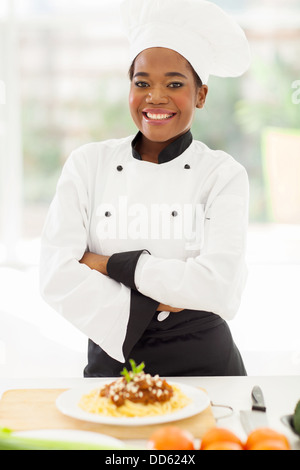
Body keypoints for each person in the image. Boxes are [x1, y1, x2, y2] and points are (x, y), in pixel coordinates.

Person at [39, 0, 251, 377]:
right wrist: (166, 295)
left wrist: (109, 265)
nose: (155, 96)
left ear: (200, 95)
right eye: (142, 83)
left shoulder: (222, 174)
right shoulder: (88, 164)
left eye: (174, 83)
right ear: (129, 88)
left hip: (206, 363)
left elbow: (220, 288)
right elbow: (55, 275)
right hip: (113, 361)